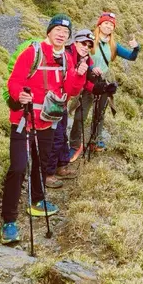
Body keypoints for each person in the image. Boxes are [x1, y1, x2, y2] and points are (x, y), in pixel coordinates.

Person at [0, 14, 81, 245]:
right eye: (57, 30)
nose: (61, 34)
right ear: (49, 31)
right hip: (24, 119)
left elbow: (71, 89)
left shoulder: (66, 58)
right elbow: (14, 81)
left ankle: (36, 201)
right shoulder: (33, 52)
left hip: (47, 120)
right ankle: (9, 220)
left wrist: (80, 72)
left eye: (66, 32)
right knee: (17, 168)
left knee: (41, 162)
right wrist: (19, 94)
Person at [69, 11, 140, 160]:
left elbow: (131, 57)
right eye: (106, 23)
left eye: (111, 24)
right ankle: (74, 144)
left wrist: (136, 48)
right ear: (99, 24)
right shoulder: (90, 40)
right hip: (87, 80)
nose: (108, 26)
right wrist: (89, 68)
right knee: (80, 114)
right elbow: (79, 55)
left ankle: (96, 140)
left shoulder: (113, 45)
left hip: (102, 81)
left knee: (100, 114)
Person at [45, 28, 99, 188]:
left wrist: (98, 87)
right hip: (53, 100)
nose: (86, 47)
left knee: (62, 136)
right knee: (56, 138)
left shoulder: (86, 59)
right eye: (83, 43)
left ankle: (61, 166)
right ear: (75, 42)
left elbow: (85, 82)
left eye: (89, 45)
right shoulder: (66, 55)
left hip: (63, 101)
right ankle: (48, 174)